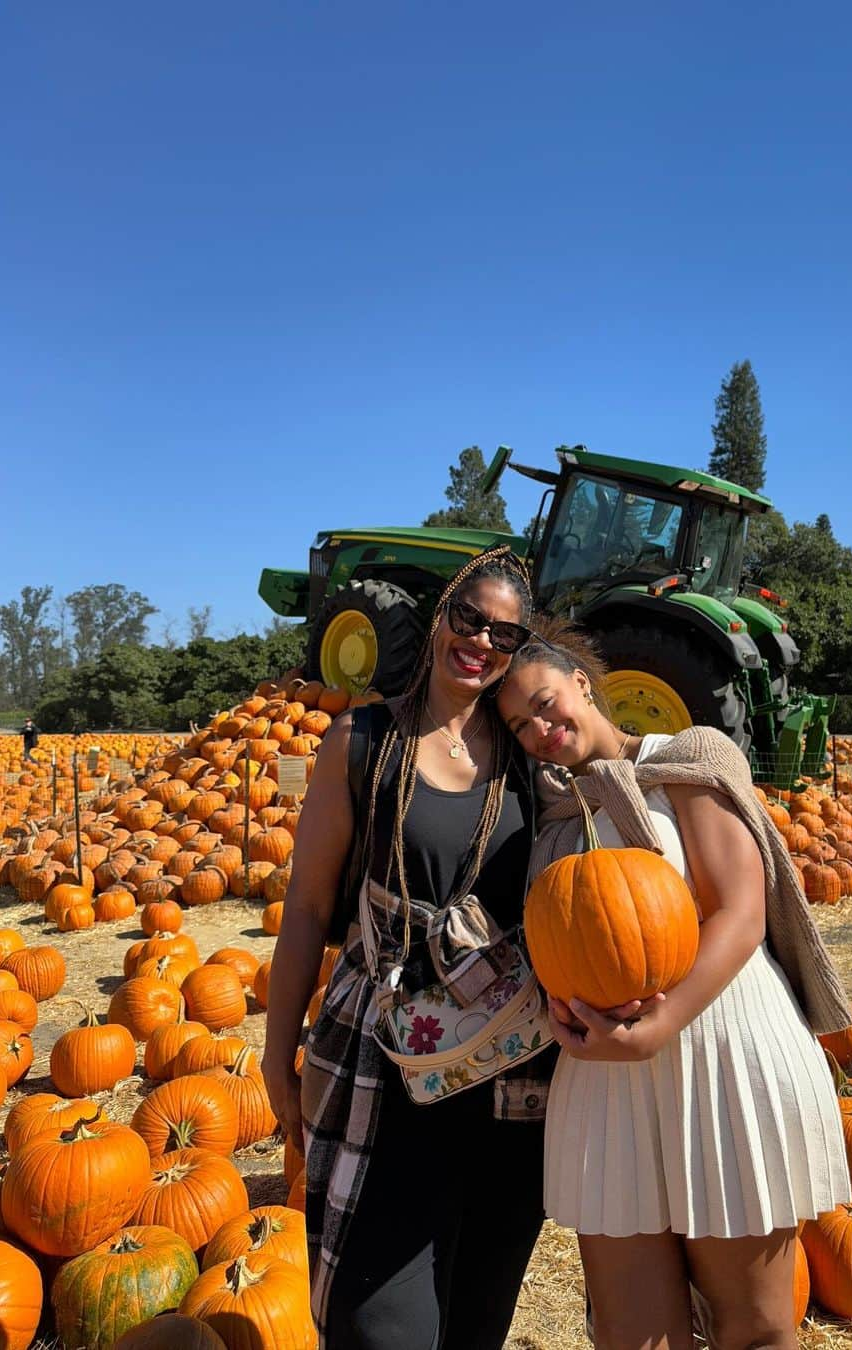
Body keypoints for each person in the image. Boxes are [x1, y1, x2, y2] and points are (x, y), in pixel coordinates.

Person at [496, 619, 852, 1350]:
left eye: (541, 703)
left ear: (581, 684)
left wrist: (662, 1023)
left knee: (753, 1328)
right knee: (634, 1338)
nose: (537, 728)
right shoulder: (547, 817)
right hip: (606, 1084)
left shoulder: (687, 756)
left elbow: (740, 909)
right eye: (517, 726)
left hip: (724, 1051)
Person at [263, 546, 557, 1350]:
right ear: (440, 619)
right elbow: (307, 908)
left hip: (508, 1079)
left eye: (505, 635)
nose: (482, 643)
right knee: (377, 1321)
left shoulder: (531, 756)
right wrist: (275, 1048)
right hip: (383, 1065)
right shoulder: (361, 740)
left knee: (476, 1314)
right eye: (469, 620)